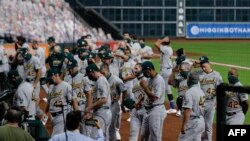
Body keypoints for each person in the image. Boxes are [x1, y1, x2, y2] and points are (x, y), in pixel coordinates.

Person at [45, 68, 78, 136]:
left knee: (55, 138)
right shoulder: (51, 87)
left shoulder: (66, 86)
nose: (50, 80)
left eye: (52, 78)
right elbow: (49, 102)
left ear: (57, 75)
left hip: (62, 115)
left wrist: (76, 115)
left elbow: (74, 100)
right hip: (53, 117)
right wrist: (45, 113)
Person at [196, 56, 223, 141]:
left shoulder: (217, 75)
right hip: (201, 101)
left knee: (208, 125)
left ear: (209, 64)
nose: (203, 68)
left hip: (211, 101)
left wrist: (218, 102)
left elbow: (221, 90)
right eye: (202, 66)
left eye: (205, 66)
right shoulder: (198, 74)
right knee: (199, 123)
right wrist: (194, 65)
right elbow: (186, 71)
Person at [100, 64, 127, 141]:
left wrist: (122, 104)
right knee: (103, 126)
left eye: (104, 73)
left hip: (113, 105)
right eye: (101, 73)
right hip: (103, 105)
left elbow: (124, 91)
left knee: (111, 127)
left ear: (108, 71)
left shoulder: (117, 80)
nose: (103, 75)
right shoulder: (101, 79)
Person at [140, 61, 166, 141]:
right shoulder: (149, 79)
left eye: (144, 72)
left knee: (155, 136)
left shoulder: (159, 80)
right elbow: (146, 94)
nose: (143, 74)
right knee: (143, 135)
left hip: (156, 110)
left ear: (149, 69)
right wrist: (139, 102)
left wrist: (145, 87)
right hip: (147, 110)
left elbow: (154, 98)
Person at [85, 64, 112, 141]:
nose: (89, 77)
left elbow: (103, 100)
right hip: (101, 112)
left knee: (98, 135)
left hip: (103, 112)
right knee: (100, 135)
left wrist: (89, 108)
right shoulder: (99, 80)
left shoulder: (101, 80)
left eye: (89, 75)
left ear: (93, 72)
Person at [179, 71, 205, 141]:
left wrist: (184, 125)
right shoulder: (201, 92)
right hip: (201, 121)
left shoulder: (189, 92)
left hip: (193, 122)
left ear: (189, 80)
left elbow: (188, 110)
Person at [155, 36, 176, 114]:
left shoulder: (166, 49)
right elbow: (158, 46)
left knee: (161, 87)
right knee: (167, 88)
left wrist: (161, 40)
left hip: (165, 71)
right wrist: (162, 41)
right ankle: (172, 107)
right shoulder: (167, 48)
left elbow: (156, 44)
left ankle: (160, 106)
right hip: (167, 70)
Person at [129, 63, 147, 141]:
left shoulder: (146, 79)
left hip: (145, 110)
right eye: (134, 68)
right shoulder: (133, 80)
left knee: (144, 135)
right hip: (135, 109)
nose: (134, 70)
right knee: (133, 133)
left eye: (136, 68)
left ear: (142, 69)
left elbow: (149, 94)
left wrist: (139, 102)